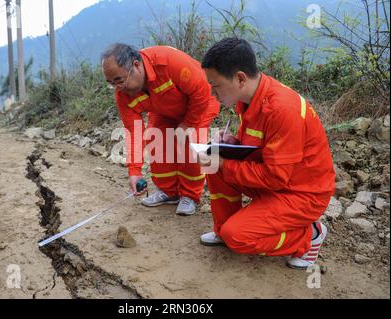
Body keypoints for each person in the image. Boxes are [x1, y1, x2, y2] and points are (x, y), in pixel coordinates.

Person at [198, 37, 335, 270]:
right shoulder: (250, 99)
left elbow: (275, 176)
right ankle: (222, 229)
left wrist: (225, 164)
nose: (213, 93)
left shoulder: (282, 109)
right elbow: (263, 147)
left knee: (238, 237)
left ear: (240, 78)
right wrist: (233, 144)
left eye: (216, 85)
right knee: (214, 164)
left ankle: (309, 235)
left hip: (302, 193)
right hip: (279, 182)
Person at [101, 44, 220, 216]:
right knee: (155, 139)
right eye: (111, 83)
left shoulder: (168, 62)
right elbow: (133, 131)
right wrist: (134, 172)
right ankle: (169, 192)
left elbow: (202, 90)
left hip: (200, 104)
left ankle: (190, 196)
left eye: (119, 80)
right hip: (165, 109)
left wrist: (187, 124)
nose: (118, 88)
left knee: (189, 144)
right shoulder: (123, 95)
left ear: (136, 65)